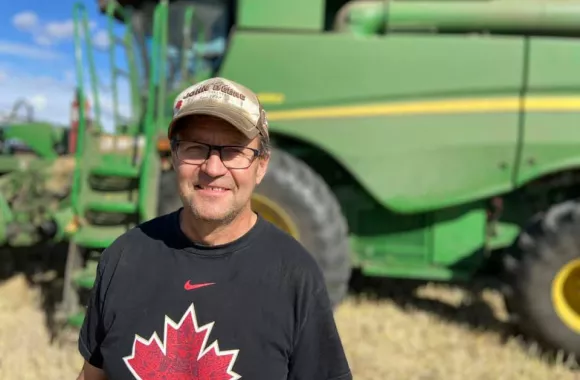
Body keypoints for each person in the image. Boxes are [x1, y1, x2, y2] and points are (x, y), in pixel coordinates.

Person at [76, 77, 353, 380]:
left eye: (234, 151)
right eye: (195, 148)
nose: (212, 168)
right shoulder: (123, 258)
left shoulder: (295, 276)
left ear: (261, 166)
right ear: (174, 157)